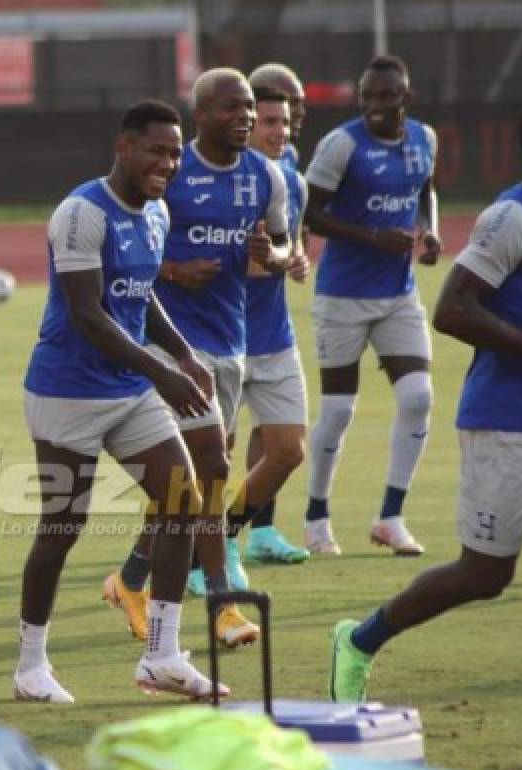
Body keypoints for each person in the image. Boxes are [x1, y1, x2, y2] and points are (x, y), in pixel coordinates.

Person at [327, 97, 522, 769]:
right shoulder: (513, 216)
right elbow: (452, 311)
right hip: (505, 424)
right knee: (485, 575)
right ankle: (360, 639)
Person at [16, 99, 222, 703]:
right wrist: (162, 371)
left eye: (176, 152)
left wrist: (181, 352)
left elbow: (141, 294)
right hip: (66, 392)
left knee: (181, 500)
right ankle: (30, 667)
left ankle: (161, 655)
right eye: (157, 150)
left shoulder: (155, 211)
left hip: (129, 389)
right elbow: (89, 312)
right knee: (62, 527)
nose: (169, 162)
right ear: (124, 147)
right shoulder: (81, 214)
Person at [104, 69, 291, 650]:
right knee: (208, 472)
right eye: (233, 108)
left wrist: (272, 253)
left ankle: (131, 580)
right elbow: (129, 256)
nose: (246, 118)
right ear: (201, 113)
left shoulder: (266, 176)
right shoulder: (170, 178)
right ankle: (221, 601)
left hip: (230, 344)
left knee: (187, 486)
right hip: (173, 345)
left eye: (250, 110)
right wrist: (174, 272)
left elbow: (287, 247)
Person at [302, 54, 440, 556]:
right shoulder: (342, 144)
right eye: (368, 97)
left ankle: (391, 517)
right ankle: (316, 517)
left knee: (419, 397)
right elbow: (309, 212)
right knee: (337, 411)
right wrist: (370, 237)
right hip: (341, 295)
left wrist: (431, 233)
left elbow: (425, 189)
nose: (377, 105)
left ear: (407, 97)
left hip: (398, 294)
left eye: (387, 95)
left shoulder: (425, 139)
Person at [235, 84, 311, 565]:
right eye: (269, 121)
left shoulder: (290, 181)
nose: (280, 131)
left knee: (284, 449)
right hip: (216, 337)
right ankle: (180, 554)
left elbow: (293, 245)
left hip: (273, 333)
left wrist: (293, 259)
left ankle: (245, 534)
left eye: (285, 122)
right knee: (203, 462)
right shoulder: (214, 180)